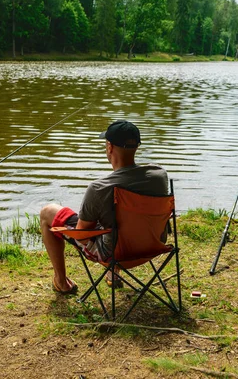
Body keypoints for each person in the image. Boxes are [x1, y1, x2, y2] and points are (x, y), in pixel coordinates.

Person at [39, 120, 169, 294]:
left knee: (47, 212)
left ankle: (61, 282)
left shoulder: (100, 188)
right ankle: (113, 274)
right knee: (114, 221)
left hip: (114, 254)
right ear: (136, 147)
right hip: (153, 245)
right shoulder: (159, 176)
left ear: (109, 147)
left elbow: (83, 234)